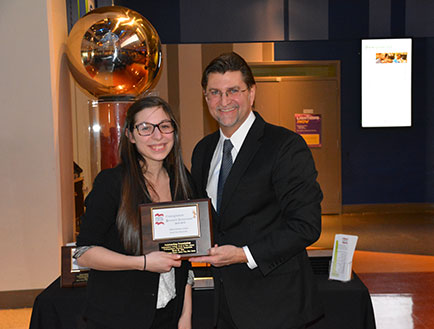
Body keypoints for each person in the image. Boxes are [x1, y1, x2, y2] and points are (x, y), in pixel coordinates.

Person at [190, 52, 323, 329]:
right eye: (214, 92)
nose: (224, 102)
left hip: (275, 304)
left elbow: (305, 226)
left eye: (232, 91)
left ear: (251, 93)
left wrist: (242, 254)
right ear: (205, 98)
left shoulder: (285, 146)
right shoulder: (203, 150)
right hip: (221, 305)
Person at [75, 96, 194, 329]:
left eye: (164, 126)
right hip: (118, 316)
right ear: (130, 135)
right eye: (145, 128)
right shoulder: (111, 183)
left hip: (169, 312)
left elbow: (186, 255)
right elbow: (84, 253)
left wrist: (185, 316)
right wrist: (143, 262)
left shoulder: (183, 181)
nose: (157, 136)